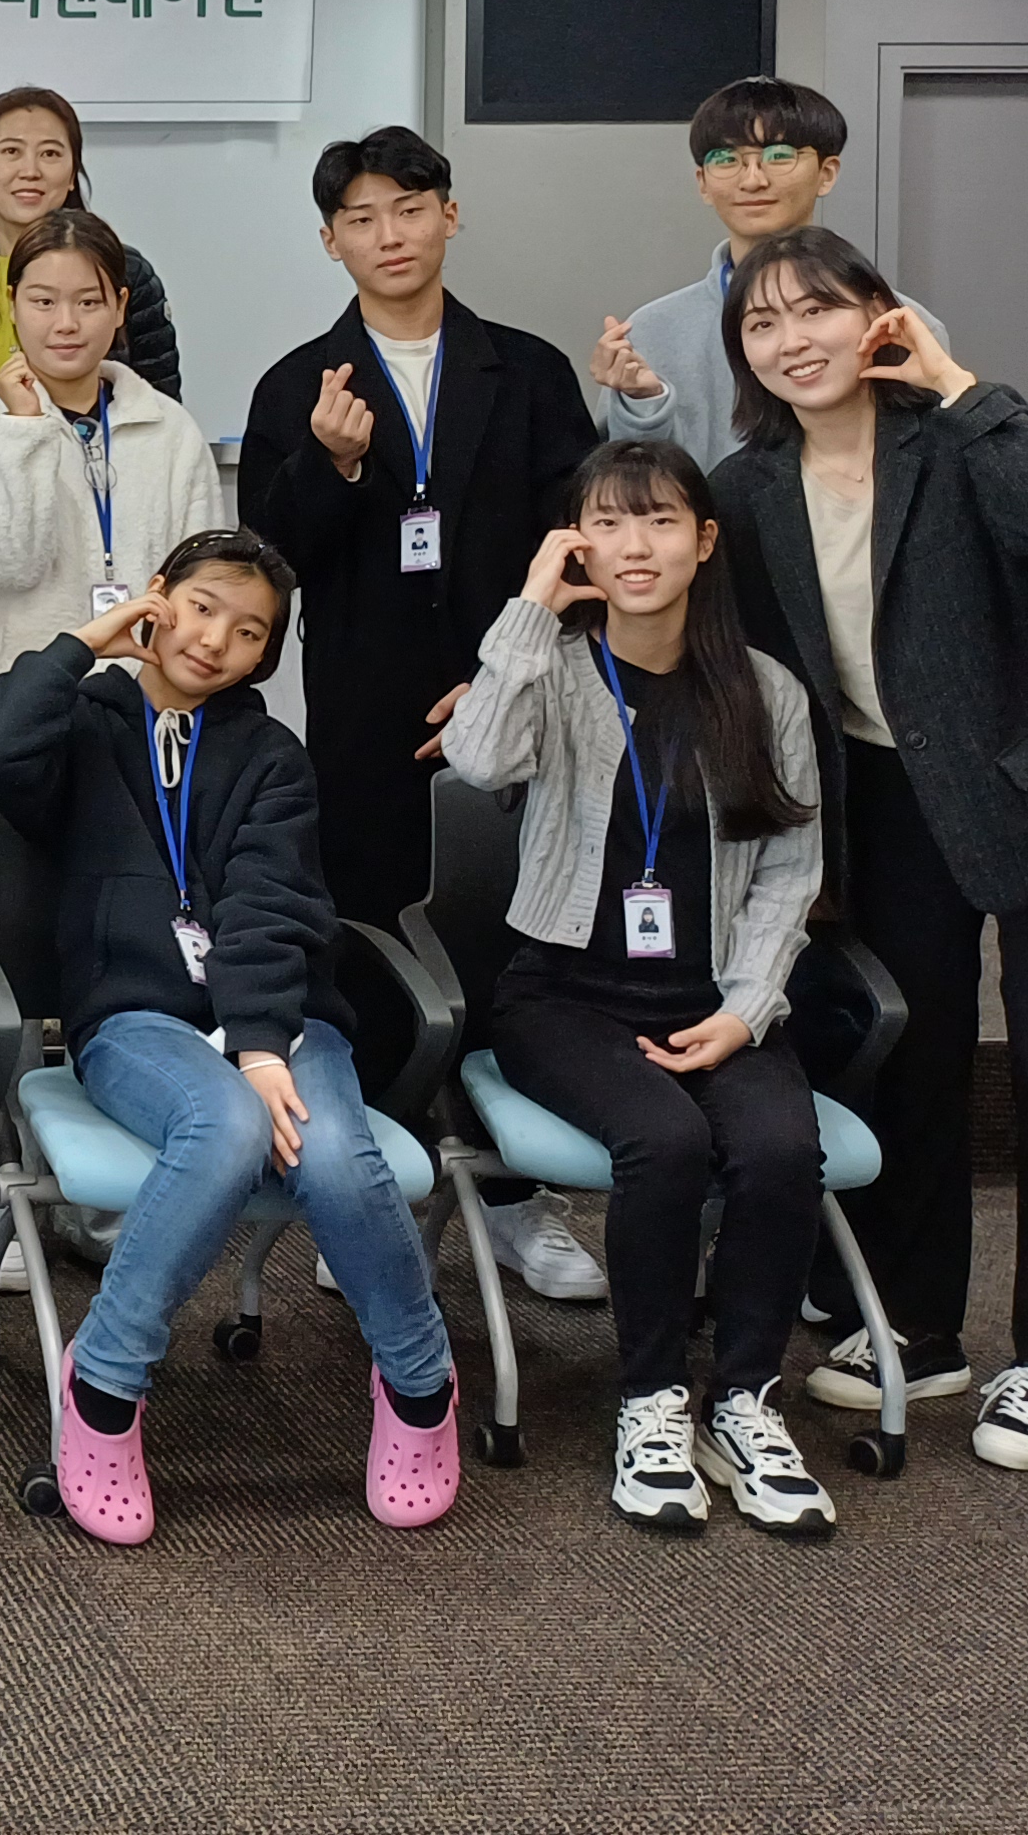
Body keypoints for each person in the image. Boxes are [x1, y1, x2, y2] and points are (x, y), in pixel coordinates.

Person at [711, 227, 1028, 1474]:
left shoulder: (957, 439)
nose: (791, 340)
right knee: (907, 1060)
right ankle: (914, 1324)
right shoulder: (745, 486)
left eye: (816, 310)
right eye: (760, 324)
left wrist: (957, 385)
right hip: (885, 804)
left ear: (878, 315)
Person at [0, 533, 465, 1548]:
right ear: (157, 600)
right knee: (225, 1125)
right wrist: (85, 644)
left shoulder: (271, 755)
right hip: (136, 1016)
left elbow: (273, 904)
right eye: (202, 607)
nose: (217, 640)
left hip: (283, 1015)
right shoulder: (85, 723)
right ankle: (105, 1381)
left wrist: (262, 1040)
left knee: (335, 1158)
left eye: (250, 630)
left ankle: (418, 1380)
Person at [233, 127, 606, 1303]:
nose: (387, 235)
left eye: (408, 208)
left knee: (513, 948)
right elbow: (268, 568)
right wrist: (331, 468)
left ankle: (513, 1195)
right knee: (369, 950)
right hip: (366, 719)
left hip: (519, 703)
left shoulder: (527, 371)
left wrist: (506, 677)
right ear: (329, 241)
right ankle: (374, 1192)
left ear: (450, 214)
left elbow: (583, 545)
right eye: (361, 218)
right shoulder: (299, 385)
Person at [438, 445, 837, 1534]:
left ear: (703, 542)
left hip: (713, 999)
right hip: (563, 997)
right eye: (606, 525)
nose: (634, 548)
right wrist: (531, 604)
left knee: (778, 1148)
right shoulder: (555, 669)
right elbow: (476, 760)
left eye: (659, 522)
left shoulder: (764, 691)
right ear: (578, 545)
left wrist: (745, 1012)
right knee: (664, 1141)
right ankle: (652, 1401)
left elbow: (790, 871)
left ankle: (744, 1402)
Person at [0, 206, 222, 1261]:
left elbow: (202, 585)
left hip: (126, 735)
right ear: (13, 306)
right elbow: (1, 558)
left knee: (116, 963)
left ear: (119, 307)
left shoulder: (167, 428)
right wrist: (24, 434)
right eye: (41, 300)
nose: (64, 322)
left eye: (87, 301)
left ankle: (97, 1195)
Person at [597, 77, 946, 474]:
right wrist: (642, 406)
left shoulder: (900, 325)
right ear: (703, 184)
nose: (752, 180)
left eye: (779, 156)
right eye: (726, 159)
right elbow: (625, 488)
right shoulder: (651, 331)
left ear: (827, 172)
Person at [0, 87, 185, 469]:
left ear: (72, 174)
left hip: (103, 496)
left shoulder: (126, 275)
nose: (30, 170)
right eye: (11, 151)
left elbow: (158, 415)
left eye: (50, 154)